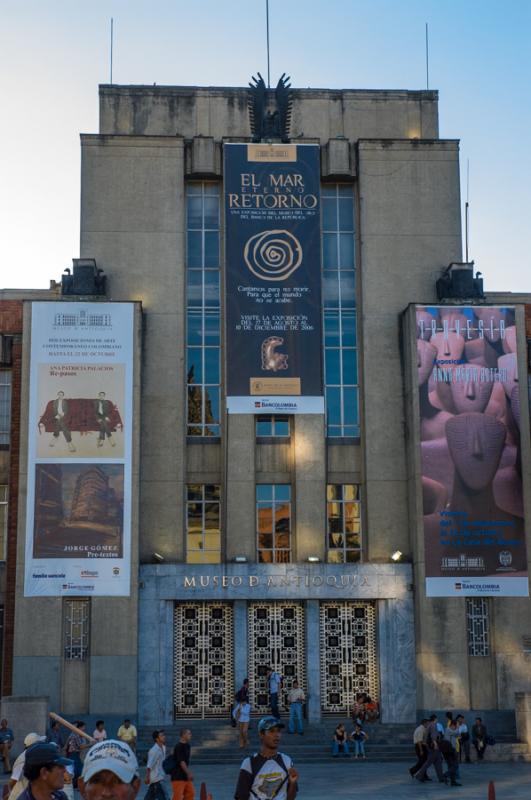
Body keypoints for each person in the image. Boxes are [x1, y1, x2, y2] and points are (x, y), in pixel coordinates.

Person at [234, 716, 298, 800]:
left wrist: (293, 783)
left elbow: (290, 798)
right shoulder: (249, 763)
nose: (276, 735)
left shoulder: (286, 761)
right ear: (261, 734)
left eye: (278, 731)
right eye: (271, 731)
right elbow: (241, 797)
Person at [8, 733, 46, 800]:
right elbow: (13, 781)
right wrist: (11, 793)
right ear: (34, 745)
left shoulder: (33, 756)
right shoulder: (23, 759)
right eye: (40, 743)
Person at [413, 715, 445, 783]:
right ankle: (419, 775)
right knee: (429, 762)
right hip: (434, 747)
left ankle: (441, 777)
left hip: (431, 747)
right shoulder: (433, 725)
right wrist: (435, 744)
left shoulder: (429, 725)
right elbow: (433, 736)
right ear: (435, 719)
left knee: (438, 762)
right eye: (437, 719)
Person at [170, 729, 194, 800]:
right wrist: (188, 773)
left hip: (184, 776)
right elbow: (182, 762)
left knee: (190, 793)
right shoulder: (179, 746)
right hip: (177, 776)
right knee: (177, 797)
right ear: (183, 735)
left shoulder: (187, 746)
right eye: (189, 733)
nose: (190, 735)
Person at [65, 722, 90, 787]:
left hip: (75, 754)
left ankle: (75, 784)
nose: (84, 729)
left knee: (79, 769)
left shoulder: (78, 735)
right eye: (83, 727)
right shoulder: (75, 735)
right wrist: (91, 744)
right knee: (77, 770)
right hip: (73, 754)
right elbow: (80, 746)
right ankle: (74, 784)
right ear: (79, 728)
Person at [145, 730, 167, 800]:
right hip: (156, 779)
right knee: (164, 797)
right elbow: (149, 766)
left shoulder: (163, 747)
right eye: (162, 736)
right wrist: (147, 777)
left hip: (159, 777)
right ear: (157, 739)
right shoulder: (154, 750)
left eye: (164, 735)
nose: (164, 737)